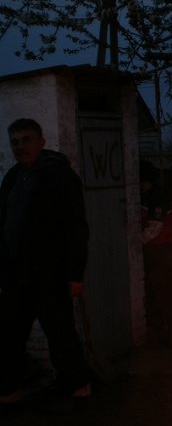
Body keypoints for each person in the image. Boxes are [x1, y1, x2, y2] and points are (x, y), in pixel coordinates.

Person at [0, 118, 91, 403]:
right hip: (17, 273)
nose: (20, 147)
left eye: (26, 140)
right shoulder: (13, 177)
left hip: (51, 273)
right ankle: (9, 390)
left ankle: (78, 387)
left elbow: (76, 227)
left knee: (60, 332)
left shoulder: (59, 176)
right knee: (10, 333)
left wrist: (75, 275)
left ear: (41, 142)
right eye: (15, 142)